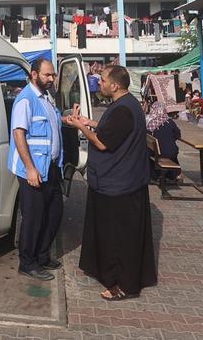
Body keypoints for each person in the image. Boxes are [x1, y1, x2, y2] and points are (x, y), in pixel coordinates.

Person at [66, 65, 157, 299]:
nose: (100, 83)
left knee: (120, 238)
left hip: (120, 185)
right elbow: (113, 130)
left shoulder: (123, 110)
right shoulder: (125, 104)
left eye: (103, 80)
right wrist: (90, 122)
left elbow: (102, 143)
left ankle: (123, 285)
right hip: (117, 182)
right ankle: (104, 271)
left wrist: (79, 127)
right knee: (108, 233)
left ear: (115, 85)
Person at [7, 58, 75, 281]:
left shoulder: (47, 98)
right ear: (34, 75)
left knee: (54, 213)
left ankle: (43, 255)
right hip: (33, 170)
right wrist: (30, 169)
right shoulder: (25, 100)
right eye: (47, 75)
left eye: (53, 75)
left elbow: (52, 124)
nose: (52, 78)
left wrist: (67, 119)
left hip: (51, 167)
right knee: (34, 218)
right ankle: (27, 262)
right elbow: (19, 134)